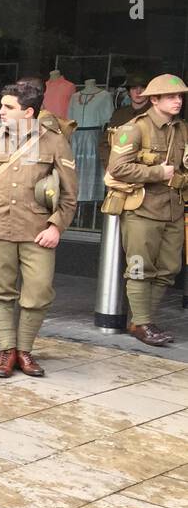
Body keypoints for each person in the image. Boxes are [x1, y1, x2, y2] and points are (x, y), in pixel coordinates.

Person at [0, 78, 78, 377]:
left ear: (28, 112)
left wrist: (56, 227)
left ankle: (25, 350)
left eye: (8, 107)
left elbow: (69, 193)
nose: (0, 111)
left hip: (37, 229)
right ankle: (6, 351)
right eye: (2, 105)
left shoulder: (54, 141)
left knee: (39, 292)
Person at [106, 73, 188, 346]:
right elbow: (117, 168)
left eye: (180, 96)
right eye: (171, 96)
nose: (178, 101)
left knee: (169, 269)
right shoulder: (134, 128)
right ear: (154, 100)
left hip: (173, 209)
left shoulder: (182, 129)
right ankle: (142, 323)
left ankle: (142, 320)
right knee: (140, 268)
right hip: (143, 209)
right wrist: (156, 173)